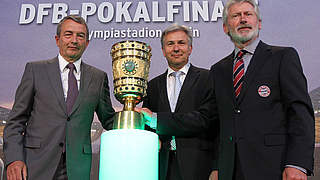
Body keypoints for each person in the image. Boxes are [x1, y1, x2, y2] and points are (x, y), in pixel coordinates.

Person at [138, 0, 315, 179]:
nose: (243, 19)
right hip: (230, 169)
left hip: (273, 165)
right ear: (225, 27)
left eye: (248, 14)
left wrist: (297, 163)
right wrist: (217, 166)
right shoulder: (219, 69)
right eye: (236, 16)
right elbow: (219, 123)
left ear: (259, 23)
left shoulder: (283, 57)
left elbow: (299, 112)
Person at [3, 15, 115, 180]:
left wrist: (135, 115)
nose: (74, 40)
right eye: (68, 34)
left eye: (80, 36)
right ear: (57, 39)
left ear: (87, 42)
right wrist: (14, 159)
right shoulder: (35, 70)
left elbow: (109, 120)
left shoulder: (98, 77)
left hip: (76, 169)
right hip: (34, 165)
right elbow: (15, 122)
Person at [142, 24, 218, 180]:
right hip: (162, 166)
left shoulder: (208, 78)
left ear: (190, 48)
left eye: (181, 43)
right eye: (170, 44)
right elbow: (148, 127)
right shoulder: (152, 86)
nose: (176, 48)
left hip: (199, 165)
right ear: (163, 51)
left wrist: (158, 120)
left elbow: (204, 120)